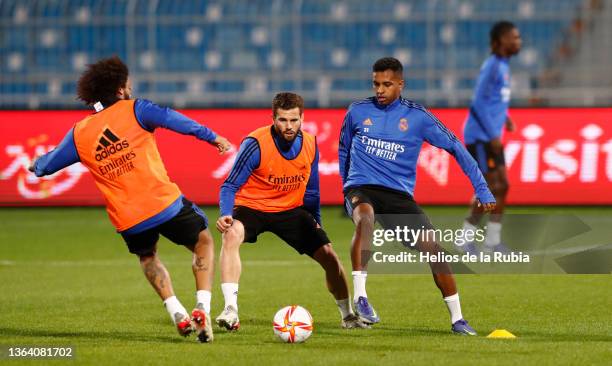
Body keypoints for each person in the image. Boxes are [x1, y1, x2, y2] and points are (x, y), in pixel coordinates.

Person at [29, 56, 231, 343]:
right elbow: (177, 121)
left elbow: (47, 166)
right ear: (120, 89)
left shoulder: (79, 134)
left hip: (129, 218)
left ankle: (175, 309)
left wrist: (35, 164)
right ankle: (202, 306)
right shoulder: (137, 109)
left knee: (147, 256)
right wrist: (212, 137)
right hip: (164, 203)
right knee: (203, 241)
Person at [338, 57, 496, 335]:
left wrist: (481, 187)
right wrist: (345, 187)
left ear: (401, 84)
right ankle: (361, 297)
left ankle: (457, 319)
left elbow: (456, 148)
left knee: (433, 249)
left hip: (398, 195)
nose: (380, 90)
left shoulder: (418, 117)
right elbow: (343, 151)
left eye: (387, 84)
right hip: (361, 187)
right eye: (376, 84)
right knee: (366, 218)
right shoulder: (357, 111)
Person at [215, 92, 368, 331]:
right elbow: (230, 185)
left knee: (329, 256)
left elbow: (313, 191)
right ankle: (230, 309)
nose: (289, 126)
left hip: (290, 209)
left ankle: (348, 316)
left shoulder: (310, 143)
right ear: (273, 118)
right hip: (253, 206)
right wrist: (226, 213)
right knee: (231, 234)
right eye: (283, 120)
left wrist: (317, 222)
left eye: (294, 120)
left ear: (302, 118)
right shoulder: (254, 144)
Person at [461, 21, 522, 253]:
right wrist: (492, 133)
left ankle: (493, 241)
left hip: (491, 135)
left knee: (503, 185)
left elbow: (493, 100)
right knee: (488, 187)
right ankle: (465, 238)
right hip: (481, 137)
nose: (518, 42)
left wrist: (505, 117)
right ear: (500, 41)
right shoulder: (493, 66)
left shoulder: (504, 66)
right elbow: (477, 102)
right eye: (514, 38)